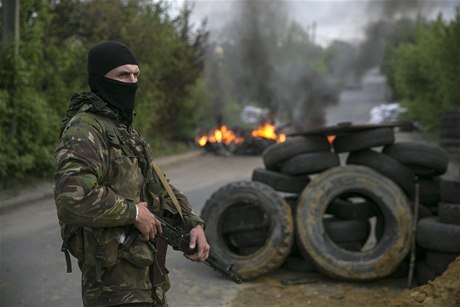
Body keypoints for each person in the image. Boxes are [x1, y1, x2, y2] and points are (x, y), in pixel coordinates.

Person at [54, 41, 210, 307]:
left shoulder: (126, 132)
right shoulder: (85, 130)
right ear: (100, 79)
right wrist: (134, 212)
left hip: (146, 277)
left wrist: (192, 223)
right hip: (111, 283)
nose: (132, 81)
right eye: (123, 75)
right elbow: (73, 199)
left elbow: (158, 186)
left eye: (135, 74)